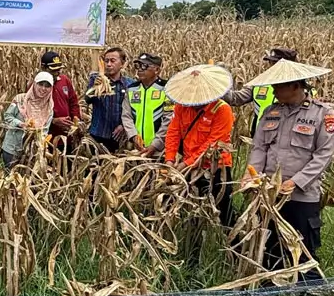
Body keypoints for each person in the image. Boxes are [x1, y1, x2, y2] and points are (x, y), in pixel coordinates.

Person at [242, 60, 334, 283]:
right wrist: (251, 175)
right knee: (268, 249)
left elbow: (324, 155)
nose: (274, 91)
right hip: (268, 195)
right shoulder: (270, 112)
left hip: (301, 196)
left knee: (303, 252)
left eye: (279, 86)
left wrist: (295, 182)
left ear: (295, 86)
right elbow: (259, 148)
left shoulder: (323, 114)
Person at [163, 64, 236, 227]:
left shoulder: (222, 110)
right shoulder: (182, 106)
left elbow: (213, 144)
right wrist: (169, 160)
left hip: (217, 167)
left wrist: (184, 165)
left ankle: (232, 245)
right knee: (190, 209)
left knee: (224, 210)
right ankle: (194, 246)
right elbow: (173, 133)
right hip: (190, 166)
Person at [224, 48, 316, 136]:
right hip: (261, 140)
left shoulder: (304, 89)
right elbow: (236, 98)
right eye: (271, 63)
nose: (270, 66)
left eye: (275, 63)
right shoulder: (259, 85)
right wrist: (220, 85)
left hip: (291, 143)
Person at [121, 53, 173, 157]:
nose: (140, 69)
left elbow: (169, 119)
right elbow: (126, 116)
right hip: (136, 149)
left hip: (160, 151)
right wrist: (133, 136)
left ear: (157, 70)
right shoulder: (131, 89)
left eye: (144, 66)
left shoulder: (167, 89)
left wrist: (155, 145)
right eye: (138, 66)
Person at [0, 72, 55, 168]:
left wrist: (39, 140)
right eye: (40, 84)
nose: (43, 89)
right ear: (34, 84)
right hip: (12, 148)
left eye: (47, 86)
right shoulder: (20, 99)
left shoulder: (49, 108)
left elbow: (45, 130)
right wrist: (21, 124)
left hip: (32, 153)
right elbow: (8, 116)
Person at [85, 47, 133, 151]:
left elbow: (135, 110)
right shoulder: (96, 80)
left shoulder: (130, 84)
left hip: (121, 137)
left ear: (122, 63)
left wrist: (124, 126)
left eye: (113, 61)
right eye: (106, 61)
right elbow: (87, 101)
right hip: (98, 134)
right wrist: (94, 88)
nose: (108, 64)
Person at [41, 51, 80, 139]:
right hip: (47, 136)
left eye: (58, 69)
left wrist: (75, 120)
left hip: (67, 135)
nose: (57, 73)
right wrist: (53, 121)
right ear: (43, 67)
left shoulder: (64, 80)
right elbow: (33, 112)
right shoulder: (37, 85)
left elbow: (73, 102)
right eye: (53, 70)